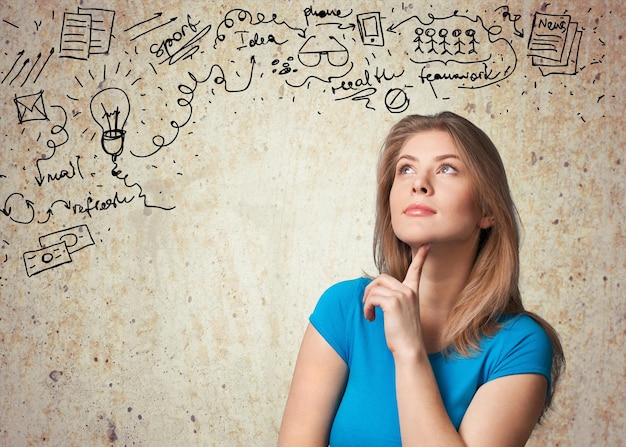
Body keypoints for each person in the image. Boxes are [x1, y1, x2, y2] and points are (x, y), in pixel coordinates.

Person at [277, 111, 565, 447]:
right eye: (406, 169)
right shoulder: (345, 310)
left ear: (487, 209)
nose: (419, 183)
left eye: (447, 168)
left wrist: (409, 351)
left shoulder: (518, 344)